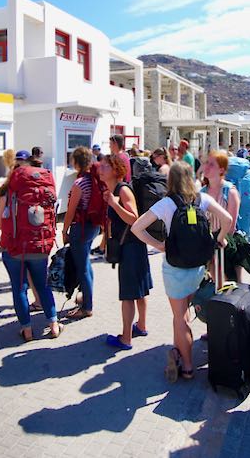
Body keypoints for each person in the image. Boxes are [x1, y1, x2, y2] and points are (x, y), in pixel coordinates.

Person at [130, 161, 232, 382]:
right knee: (184, 314)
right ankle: (179, 350)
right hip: (198, 267)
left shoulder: (167, 203)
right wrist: (219, 240)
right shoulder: (202, 199)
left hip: (175, 268)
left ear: (171, 180)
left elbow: (136, 227)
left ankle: (187, 366)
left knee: (179, 318)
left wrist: (158, 245)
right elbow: (228, 219)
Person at [0, 156, 61, 342]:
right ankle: (54, 325)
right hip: (39, 246)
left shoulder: (7, 193)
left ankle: (27, 330)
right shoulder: (42, 190)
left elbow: (1, 223)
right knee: (43, 285)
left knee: (19, 289)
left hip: (14, 248)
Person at [100, 154, 152, 349]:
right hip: (132, 246)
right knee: (138, 290)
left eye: (105, 166)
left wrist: (114, 204)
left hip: (131, 247)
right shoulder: (114, 189)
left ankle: (126, 338)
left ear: (115, 170)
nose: (101, 169)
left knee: (128, 294)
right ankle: (142, 326)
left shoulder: (122, 190)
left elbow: (134, 219)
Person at [62, 147, 101, 321]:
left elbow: (70, 212)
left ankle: (87, 307)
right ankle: (87, 297)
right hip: (93, 227)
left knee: (83, 266)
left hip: (81, 228)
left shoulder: (79, 183)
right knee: (86, 264)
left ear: (76, 162)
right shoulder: (94, 180)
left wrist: (64, 230)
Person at [201, 151, 241, 280]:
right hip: (209, 246)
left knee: (232, 286)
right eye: (206, 163)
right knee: (215, 285)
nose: (206, 167)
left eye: (211, 164)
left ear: (221, 169)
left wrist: (219, 240)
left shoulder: (230, 192)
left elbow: (231, 226)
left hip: (227, 246)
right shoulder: (202, 192)